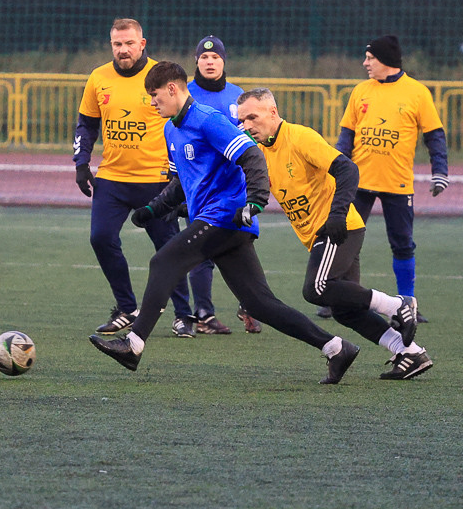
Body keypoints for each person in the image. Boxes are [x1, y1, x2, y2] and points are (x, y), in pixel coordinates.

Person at [90, 61, 360, 384]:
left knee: (163, 262)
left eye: (155, 95)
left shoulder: (207, 120)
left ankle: (133, 345)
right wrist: (154, 207)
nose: (151, 102)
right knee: (261, 304)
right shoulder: (170, 129)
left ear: (173, 89)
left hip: (225, 217)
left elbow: (251, 155)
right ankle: (335, 347)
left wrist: (256, 200)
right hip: (218, 223)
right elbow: (181, 183)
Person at [237, 88, 433, 379]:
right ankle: (410, 353)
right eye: (241, 121)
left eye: (252, 117)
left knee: (316, 289)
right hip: (323, 234)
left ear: (273, 113)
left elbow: (347, 169)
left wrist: (337, 214)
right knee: (345, 309)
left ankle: (399, 305)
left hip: (338, 229)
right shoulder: (261, 151)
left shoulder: (300, 137)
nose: (247, 125)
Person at [74, 18, 197, 340]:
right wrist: (81, 163)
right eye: (117, 44)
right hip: (112, 178)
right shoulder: (98, 78)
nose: (123, 50)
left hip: (156, 181)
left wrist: (179, 172)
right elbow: (86, 124)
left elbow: (183, 123)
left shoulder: (161, 77)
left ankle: (184, 315)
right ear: (111, 45)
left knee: (169, 248)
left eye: (129, 43)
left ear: (142, 44)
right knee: (101, 238)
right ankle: (126, 307)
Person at [333, 35, 448, 322]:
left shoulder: (418, 93)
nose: (365, 63)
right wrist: (335, 168)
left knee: (402, 243)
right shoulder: (360, 91)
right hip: (358, 181)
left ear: (385, 60)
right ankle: (340, 296)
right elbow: (346, 134)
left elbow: (434, 135)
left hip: (397, 183)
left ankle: (407, 303)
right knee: (344, 238)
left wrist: (440, 171)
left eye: (369, 58)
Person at [184, 35, 250, 334]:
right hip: (200, 186)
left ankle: (249, 305)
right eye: (204, 57)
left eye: (216, 57)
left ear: (224, 61)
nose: (210, 62)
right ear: (196, 61)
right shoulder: (185, 95)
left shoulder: (238, 96)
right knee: (202, 250)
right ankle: (204, 314)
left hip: (233, 187)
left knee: (243, 240)